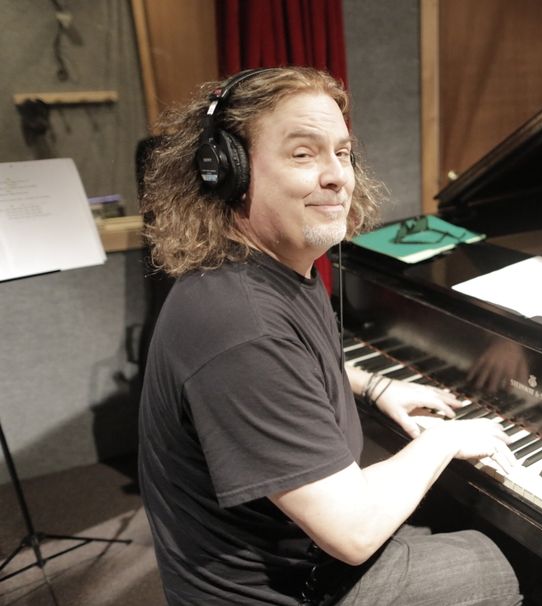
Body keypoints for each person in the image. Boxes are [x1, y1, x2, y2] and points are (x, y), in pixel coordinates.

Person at [137, 66, 522, 606]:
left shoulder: (271, 265)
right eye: (303, 154)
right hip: (286, 592)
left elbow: (295, 367)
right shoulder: (240, 326)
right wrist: (445, 440)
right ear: (228, 171)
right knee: (494, 566)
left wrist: (374, 385)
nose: (338, 175)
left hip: (302, 557)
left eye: (342, 153)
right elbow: (354, 533)